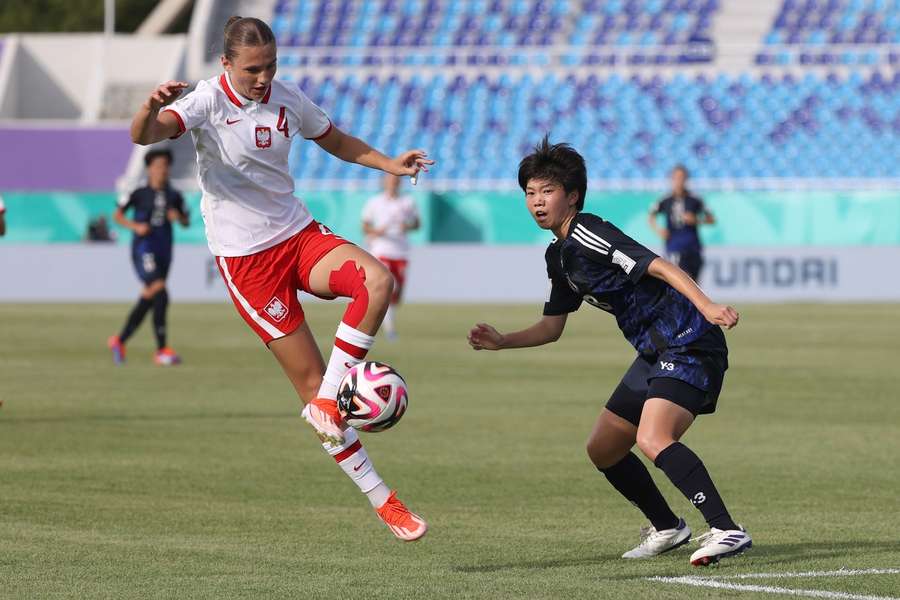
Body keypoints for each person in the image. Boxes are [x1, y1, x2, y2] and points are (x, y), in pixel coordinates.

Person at [128, 16, 432, 540]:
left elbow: (334, 140)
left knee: (376, 282)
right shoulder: (206, 100)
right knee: (315, 393)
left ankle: (330, 395)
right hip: (247, 262)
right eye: (252, 69)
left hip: (297, 234)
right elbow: (145, 135)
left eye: (270, 66)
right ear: (226, 64)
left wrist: (391, 164)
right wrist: (149, 107)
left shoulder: (286, 97)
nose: (263, 77)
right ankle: (385, 501)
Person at [468, 138, 751, 566]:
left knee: (653, 438)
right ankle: (668, 527)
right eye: (530, 193)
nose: (537, 202)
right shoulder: (558, 255)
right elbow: (552, 327)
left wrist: (707, 306)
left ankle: (726, 529)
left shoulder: (589, 231)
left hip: (688, 339)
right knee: (603, 447)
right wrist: (503, 340)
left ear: (572, 196)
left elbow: (658, 264)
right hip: (654, 351)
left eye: (547, 191)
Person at [108, 149, 189, 366]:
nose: (162, 170)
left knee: (153, 294)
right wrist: (135, 226)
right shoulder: (139, 192)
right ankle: (162, 350)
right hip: (144, 249)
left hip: (165, 250)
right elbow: (117, 215)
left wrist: (178, 217)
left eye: (165, 165)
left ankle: (120, 340)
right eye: (158, 165)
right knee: (160, 290)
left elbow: (186, 221)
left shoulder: (174, 195)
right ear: (149, 168)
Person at [361, 174, 420, 339]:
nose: (393, 184)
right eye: (390, 181)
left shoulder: (407, 202)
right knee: (387, 286)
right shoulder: (375, 202)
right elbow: (365, 227)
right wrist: (376, 232)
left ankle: (387, 322)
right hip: (381, 250)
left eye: (395, 181)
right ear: (384, 183)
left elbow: (417, 224)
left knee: (396, 294)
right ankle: (388, 329)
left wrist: (407, 226)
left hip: (400, 251)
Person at [648, 165, 715, 282]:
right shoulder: (665, 199)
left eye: (682, 177)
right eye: (676, 177)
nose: (679, 180)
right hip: (674, 246)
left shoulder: (695, 199)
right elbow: (651, 216)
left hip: (693, 246)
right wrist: (658, 230)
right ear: (672, 179)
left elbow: (711, 219)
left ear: (686, 179)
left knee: (694, 284)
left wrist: (696, 220)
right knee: (680, 281)